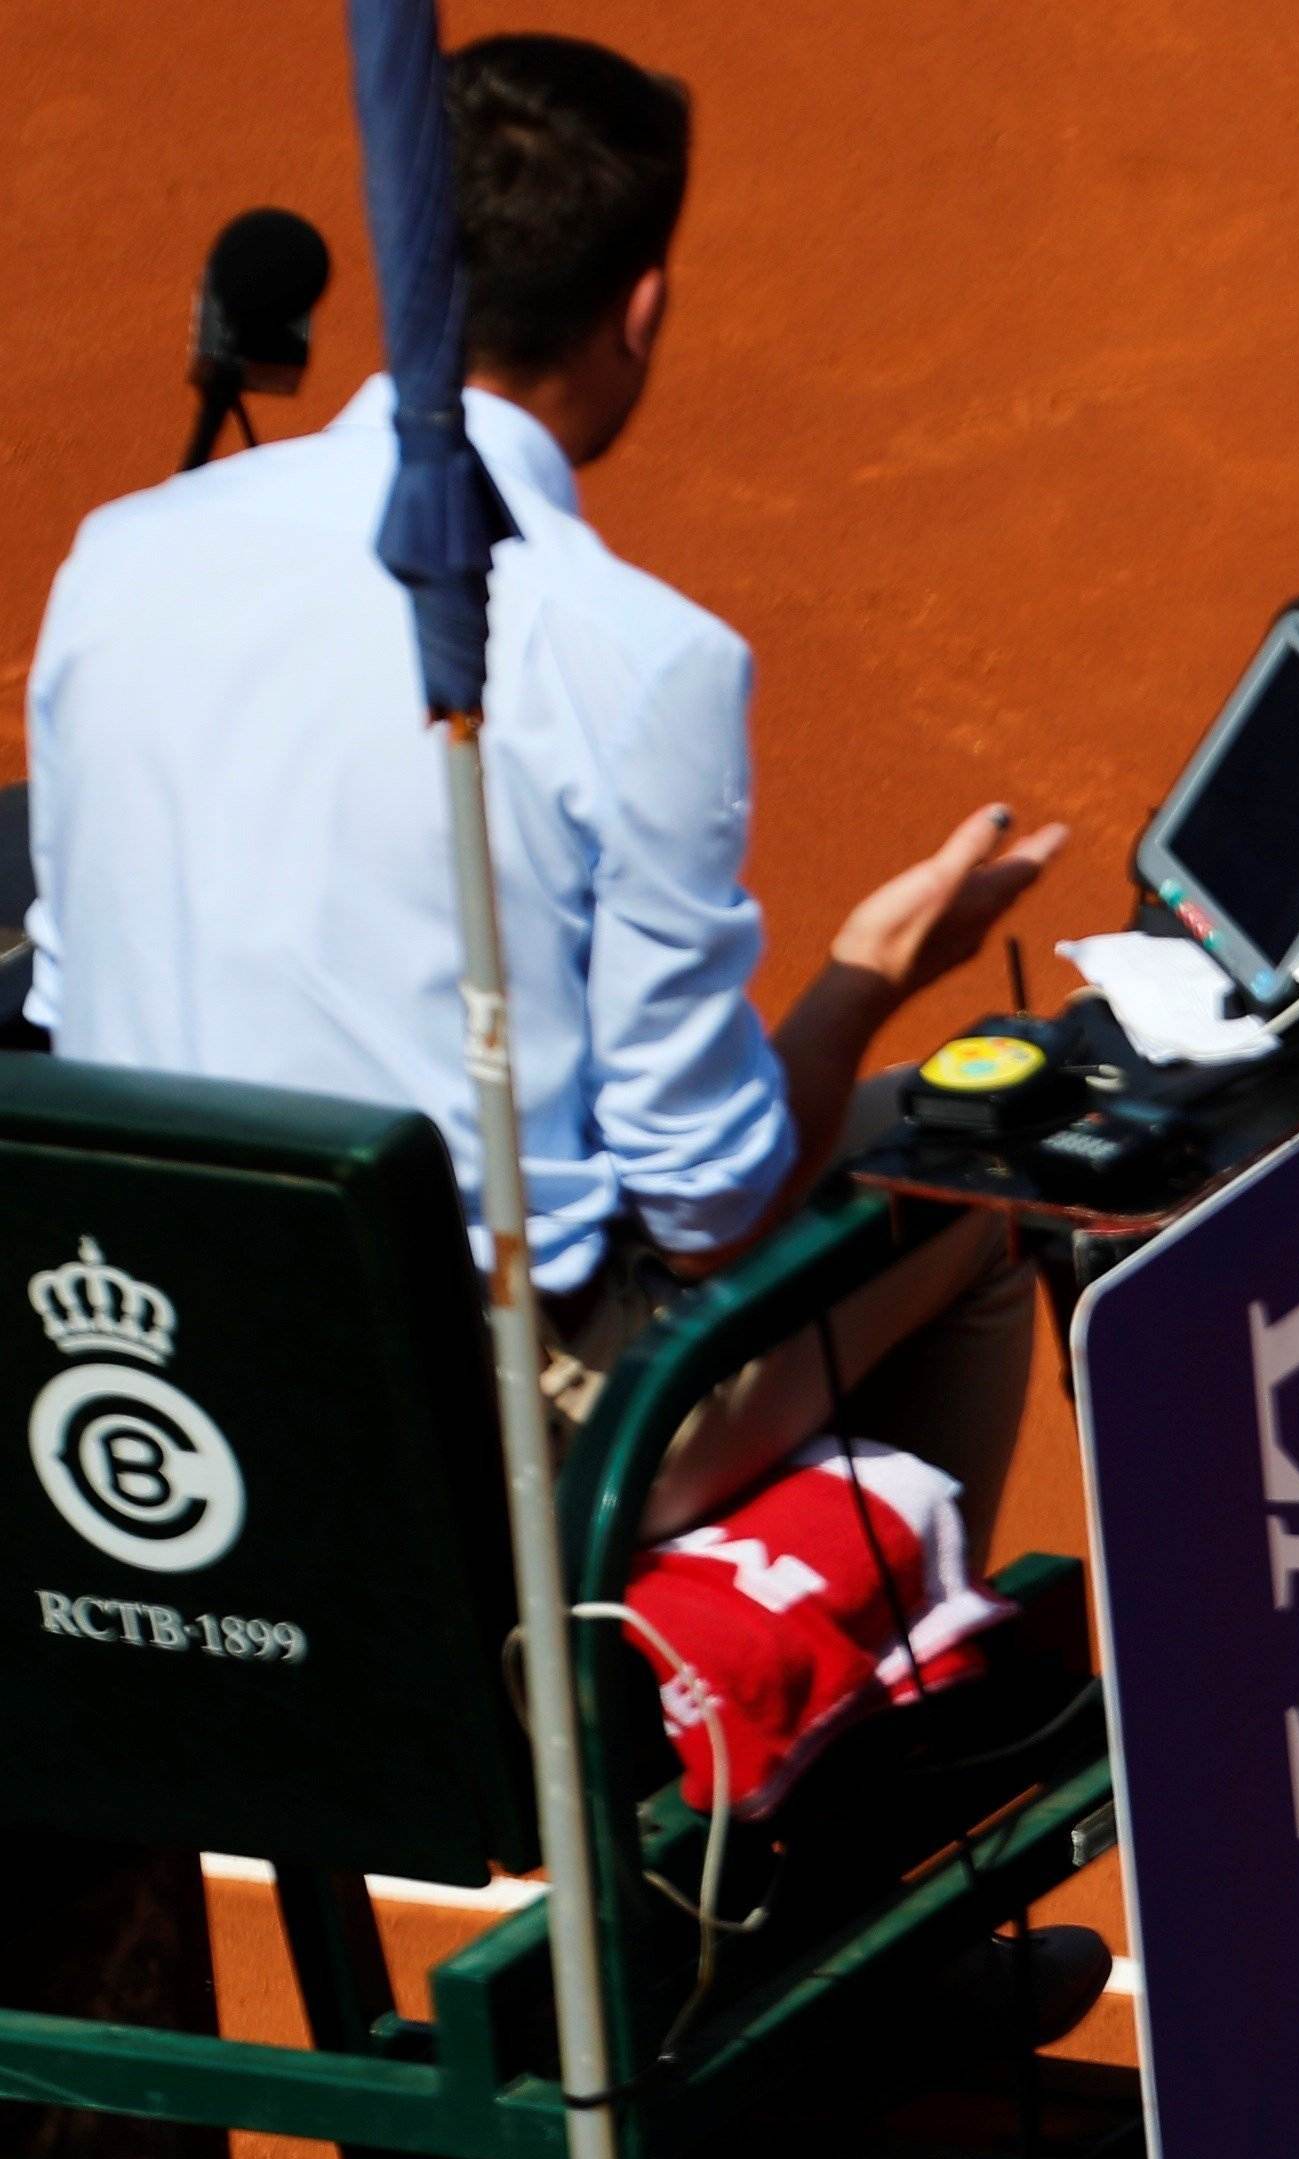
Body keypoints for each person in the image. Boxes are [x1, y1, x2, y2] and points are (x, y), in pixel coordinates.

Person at [21, 31, 1062, 1542]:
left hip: (155, 1378)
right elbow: (712, 1218)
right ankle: (877, 1724)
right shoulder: (637, 658)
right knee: (975, 1187)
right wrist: (869, 976)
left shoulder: (116, 555)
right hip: (479, 1447)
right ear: (640, 307)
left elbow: (65, 1007)